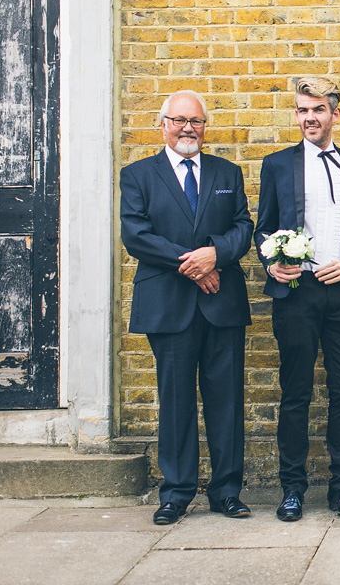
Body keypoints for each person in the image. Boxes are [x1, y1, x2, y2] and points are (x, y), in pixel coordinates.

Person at [120, 90, 254, 525]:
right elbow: (137, 235)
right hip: (169, 304)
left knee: (227, 401)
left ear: (204, 126)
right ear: (163, 124)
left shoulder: (226, 172)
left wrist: (214, 254)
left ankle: (226, 491)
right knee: (175, 401)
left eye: (195, 121)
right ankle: (176, 492)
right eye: (178, 120)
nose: (187, 128)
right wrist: (194, 265)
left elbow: (243, 228)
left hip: (222, 303)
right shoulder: (138, 175)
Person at [255, 77, 340, 521]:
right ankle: (292, 487)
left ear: (335, 114)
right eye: (302, 110)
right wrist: (271, 262)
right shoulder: (276, 164)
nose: (310, 117)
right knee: (296, 392)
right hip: (297, 293)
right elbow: (263, 228)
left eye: (318, 110)